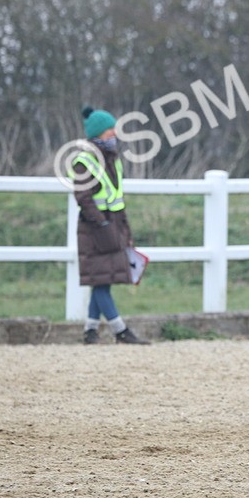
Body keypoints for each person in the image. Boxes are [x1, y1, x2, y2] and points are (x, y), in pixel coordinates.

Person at [70, 106, 149, 345]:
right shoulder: (84, 161)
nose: (114, 133)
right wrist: (103, 224)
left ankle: (90, 331)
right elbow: (83, 198)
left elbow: (117, 198)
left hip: (112, 225)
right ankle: (120, 330)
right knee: (101, 280)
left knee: (102, 278)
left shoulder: (113, 160)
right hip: (96, 228)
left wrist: (125, 231)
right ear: (97, 134)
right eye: (109, 130)